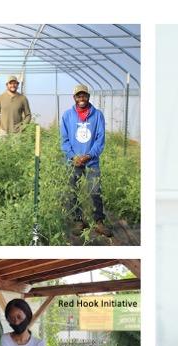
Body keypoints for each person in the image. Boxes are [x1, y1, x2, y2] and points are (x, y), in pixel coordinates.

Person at [60, 84, 111, 237]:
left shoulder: (97, 115)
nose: (81, 98)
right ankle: (78, 220)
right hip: (73, 161)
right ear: (74, 98)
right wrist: (73, 156)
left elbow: (100, 139)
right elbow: (64, 139)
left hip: (91, 161)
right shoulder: (67, 115)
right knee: (73, 191)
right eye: (78, 96)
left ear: (88, 96)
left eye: (84, 95)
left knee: (95, 191)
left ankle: (98, 222)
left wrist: (89, 155)